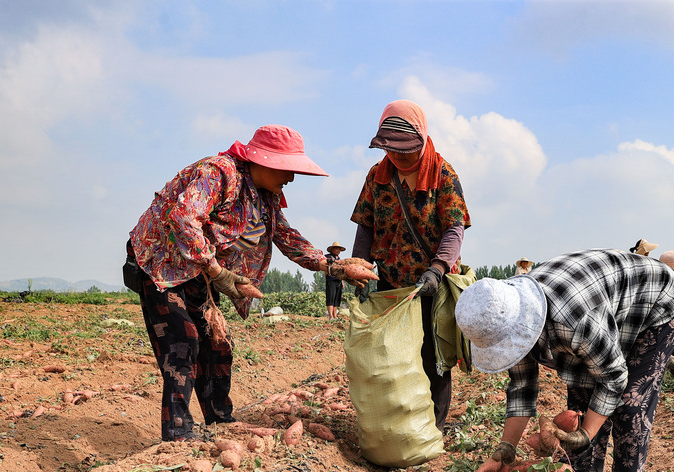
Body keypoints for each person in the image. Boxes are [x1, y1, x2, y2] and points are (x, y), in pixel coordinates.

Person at [128, 124, 355, 442]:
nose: (290, 178)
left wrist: (333, 268)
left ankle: (219, 420)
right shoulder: (218, 173)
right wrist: (219, 273)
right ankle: (177, 433)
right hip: (163, 265)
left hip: (201, 272)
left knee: (218, 346)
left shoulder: (266, 198)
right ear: (263, 161)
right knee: (184, 341)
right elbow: (183, 217)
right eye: (286, 170)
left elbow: (285, 236)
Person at [457, 250, 674, 472]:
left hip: (655, 302)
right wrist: (505, 448)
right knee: (580, 400)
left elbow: (613, 378)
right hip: (599, 305)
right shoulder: (501, 314)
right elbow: (522, 387)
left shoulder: (574, 322)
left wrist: (586, 433)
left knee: (630, 406)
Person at [350, 100, 471, 430]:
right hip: (393, 284)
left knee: (435, 357)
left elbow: (454, 228)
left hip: (434, 284)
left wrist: (437, 268)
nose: (399, 157)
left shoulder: (443, 175)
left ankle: (434, 426)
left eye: (406, 150)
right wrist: (360, 266)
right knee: (395, 355)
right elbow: (366, 225)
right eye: (393, 150)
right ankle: (401, 421)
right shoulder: (377, 176)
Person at [324, 241, 346, 319]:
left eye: (339, 249)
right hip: (331, 279)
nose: (338, 251)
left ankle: (335, 316)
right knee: (331, 297)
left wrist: (342, 281)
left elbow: (340, 272)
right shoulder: (328, 257)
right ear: (332, 249)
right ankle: (330, 316)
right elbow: (324, 264)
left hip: (338, 280)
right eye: (336, 249)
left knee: (337, 298)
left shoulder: (339, 259)